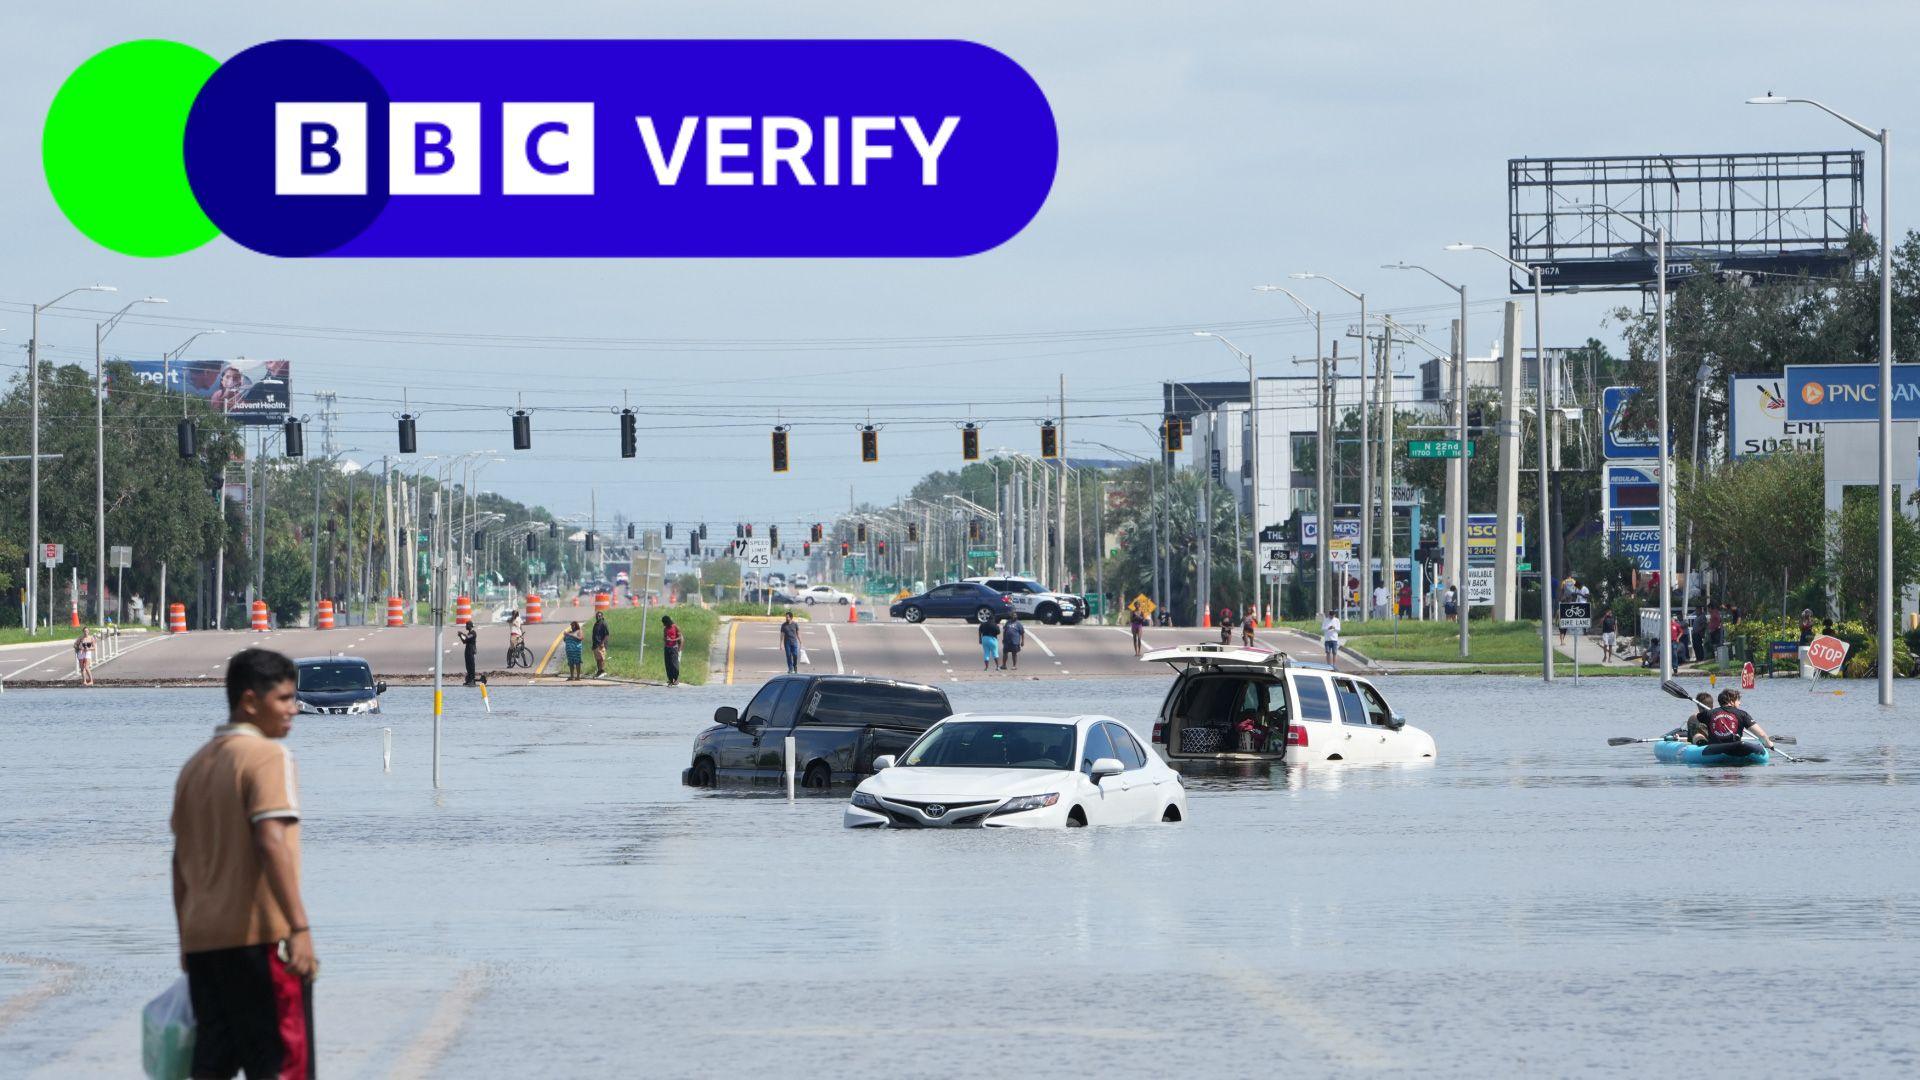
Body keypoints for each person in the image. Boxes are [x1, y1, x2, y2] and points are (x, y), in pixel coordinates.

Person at [171, 648, 317, 1080]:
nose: (294, 709)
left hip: (203, 948)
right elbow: (270, 841)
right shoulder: (268, 757)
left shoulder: (195, 766)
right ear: (250, 701)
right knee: (283, 1068)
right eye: (285, 699)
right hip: (263, 944)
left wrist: (186, 941)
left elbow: (179, 868)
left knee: (210, 1069)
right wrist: (299, 928)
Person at [1704, 688, 1774, 751]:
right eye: (1738, 700)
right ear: (1731, 701)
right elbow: (1761, 735)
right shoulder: (1742, 714)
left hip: (1714, 749)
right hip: (1735, 749)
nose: (1740, 703)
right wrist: (1768, 743)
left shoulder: (1709, 713)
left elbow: (1695, 718)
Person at [662, 615, 683, 686]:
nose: (663, 624)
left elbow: (680, 637)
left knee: (674, 664)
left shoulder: (675, 627)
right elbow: (664, 637)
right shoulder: (665, 629)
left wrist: (672, 640)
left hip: (674, 648)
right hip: (667, 648)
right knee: (668, 664)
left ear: (667, 622)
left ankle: (676, 679)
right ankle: (670, 679)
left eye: (664, 623)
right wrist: (665, 639)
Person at [590, 611, 610, 677]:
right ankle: (599, 671)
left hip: (601, 644)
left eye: (599, 616)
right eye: (597, 616)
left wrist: (602, 642)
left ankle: (602, 671)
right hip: (595, 644)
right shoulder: (596, 624)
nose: (598, 617)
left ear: (602, 616)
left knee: (601, 658)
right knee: (598, 659)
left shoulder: (604, 623)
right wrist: (593, 645)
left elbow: (607, 634)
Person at [458, 620, 478, 685]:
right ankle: (469, 680)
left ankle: (472, 680)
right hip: (467, 651)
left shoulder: (473, 633)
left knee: (472, 666)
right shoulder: (469, 633)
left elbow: (467, 638)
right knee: (468, 666)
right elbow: (464, 641)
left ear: (470, 626)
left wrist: (462, 634)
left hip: (471, 650)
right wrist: (460, 636)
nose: (466, 626)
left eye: (467, 625)